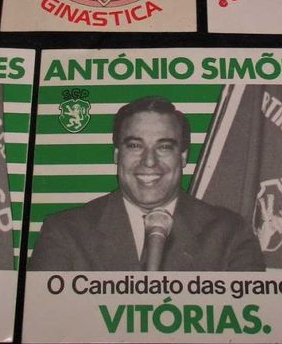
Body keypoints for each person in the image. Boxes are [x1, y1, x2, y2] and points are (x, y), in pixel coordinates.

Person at [30, 96, 265, 271]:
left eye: (164, 147)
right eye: (135, 146)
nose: (149, 161)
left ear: (183, 157)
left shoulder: (231, 234)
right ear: (117, 155)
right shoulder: (65, 233)